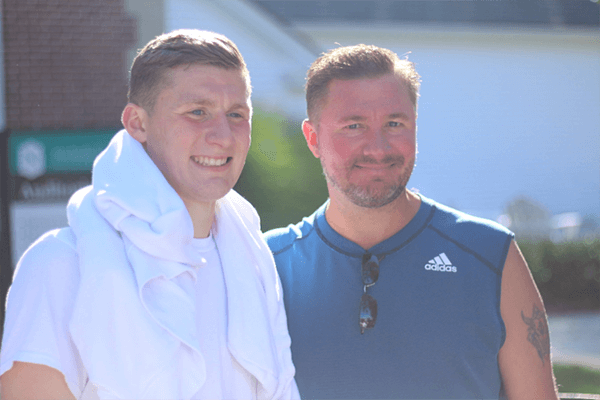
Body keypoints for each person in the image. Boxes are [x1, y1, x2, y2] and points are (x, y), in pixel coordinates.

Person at [0, 29, 299, 400]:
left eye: (236, 114)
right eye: (197, 112)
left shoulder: (254, 263)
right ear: (137, 123)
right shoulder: (62, 264)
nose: (222, 135)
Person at [264, 44, 559, 400]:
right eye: (354, 125)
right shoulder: (267, 265)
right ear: (313, 138)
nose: (378, 147)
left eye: (394, 123)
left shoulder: (491, 256)